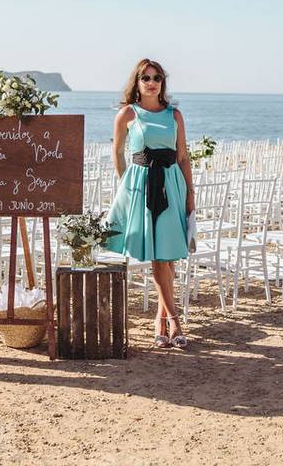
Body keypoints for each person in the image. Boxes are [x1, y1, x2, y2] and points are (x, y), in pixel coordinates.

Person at [104, 58, 194, 349]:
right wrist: (127, 185)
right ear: (137, 82)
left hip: (171, 185)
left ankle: (161, 319)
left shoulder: (175, 115)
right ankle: (174, 321)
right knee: (157, 255)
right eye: (146, 78)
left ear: (162, 83)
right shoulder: (127, 114)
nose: (152, 82)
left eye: (157, 77)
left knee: (167, 256)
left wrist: (190, 193)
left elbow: (182, 157)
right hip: (141, 186)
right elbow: (117, 153)